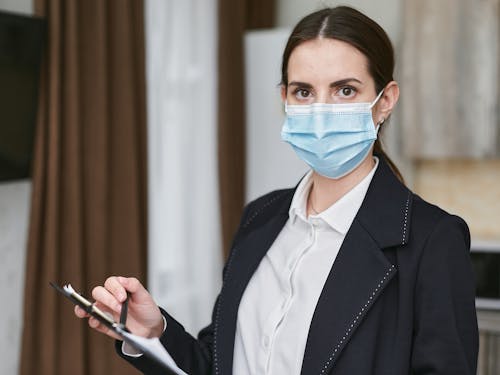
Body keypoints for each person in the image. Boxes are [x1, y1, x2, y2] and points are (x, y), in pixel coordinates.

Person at [75, 6, 478, 375]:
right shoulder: (260, 217)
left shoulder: (432, 241)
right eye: (303, 91)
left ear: (384, 100)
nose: (320, 110)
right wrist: (153, 331)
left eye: (345, 90)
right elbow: (218, 362)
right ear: (284, 99)